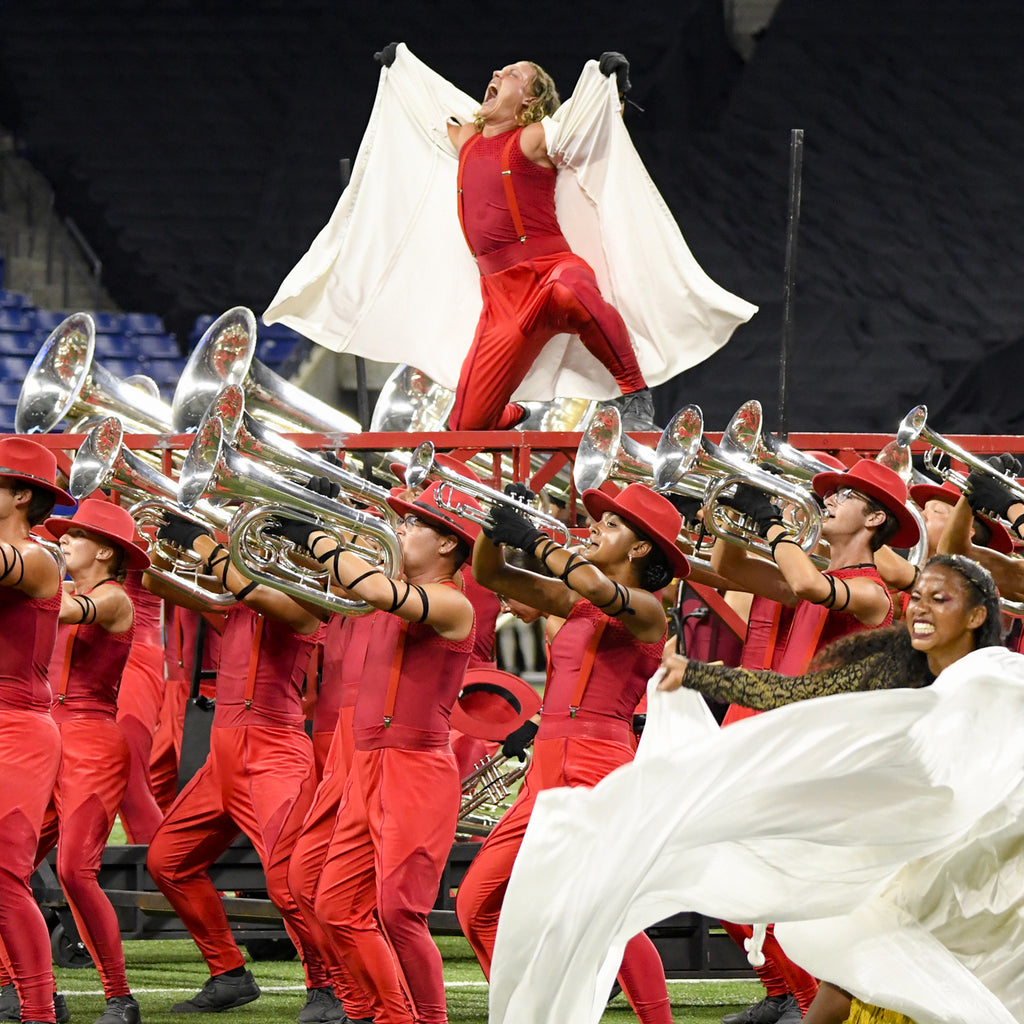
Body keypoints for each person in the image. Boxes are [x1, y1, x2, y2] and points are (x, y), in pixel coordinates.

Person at [485, 555, 1022, 1024]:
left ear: (977, 616)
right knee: (858, 949)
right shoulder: (899, 667)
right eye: (919, 597)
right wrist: (699, 676)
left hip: (977, 844)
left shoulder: (996, 674)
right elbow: (799, 691)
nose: (920, 607)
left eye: (940, 599)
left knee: (906, 957)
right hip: (907, 837)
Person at [262, 45, 756, 425]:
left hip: (549, 270)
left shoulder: (535, 137)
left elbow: (590, 127)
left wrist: (611, 91)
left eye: (513, 75)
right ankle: (510, 412)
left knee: (572, 290)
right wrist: (401, 70)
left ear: (532, 100)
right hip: (501, 300)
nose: (498, 76)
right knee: (467, 425)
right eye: (499, 72)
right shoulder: (466, 139)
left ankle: (634, 393)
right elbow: (422, 111)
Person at [455, 482, 689, 1024]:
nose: (593, 530)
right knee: (476, 905)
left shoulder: (649, 611)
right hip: (546, 768)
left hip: (599, 769)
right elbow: (491, 576)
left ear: (638, 549)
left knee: (606, 916)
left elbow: (605, 592)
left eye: (610, 526)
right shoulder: (574, 599)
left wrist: (533, 538)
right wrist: (497, 529)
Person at [274, 481, 477, 1024]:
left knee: (398, 912)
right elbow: (328, 596)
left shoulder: (453, 602)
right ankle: (384, 1014)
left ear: (448, 546)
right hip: (366, 762)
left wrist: (316, 539)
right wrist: (296, 538)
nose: (399, 531)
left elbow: (383, 594)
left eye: (413, 525)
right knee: (336, 904)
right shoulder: (384, 588)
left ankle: (426, 1019)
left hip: (415, 769)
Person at [144, 511, 333, 1019]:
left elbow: (253, 592)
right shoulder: (242, 595)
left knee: (289, 881)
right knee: (169, 862)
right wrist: (162, 545)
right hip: (225, 752)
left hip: (273, 750)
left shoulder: (312, 599)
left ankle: (330, 986)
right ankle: (228, 972)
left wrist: (203, 543)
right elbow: (160, 581)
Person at [33, 500, 151, 1024]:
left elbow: (55, 609)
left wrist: (19, 568)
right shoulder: (77, 590)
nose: (63, 541)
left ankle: (120, 998)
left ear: (105, 551)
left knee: (75, 870)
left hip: (92, 742)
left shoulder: (113, 597)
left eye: (75, 536)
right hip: (49, 737)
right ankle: (21, 989)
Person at [0, 438, 74, 1024]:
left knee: (3, 876)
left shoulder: (42, 557)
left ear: (21, 494)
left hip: (18, 728)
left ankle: (38, 1012)